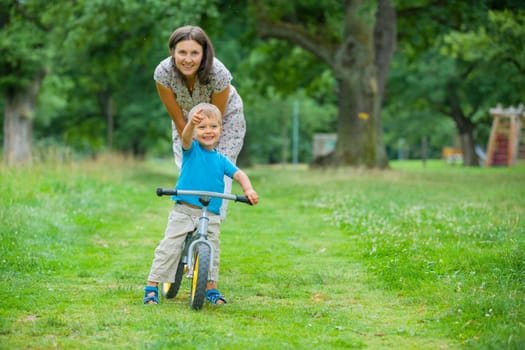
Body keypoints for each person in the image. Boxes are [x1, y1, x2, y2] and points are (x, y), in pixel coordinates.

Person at [144, 103, 259, 305]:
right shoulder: (191, 150)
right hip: (184, 210)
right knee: (170, 246)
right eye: (202, 127)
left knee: (212, 250)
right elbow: (185, 138)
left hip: (210, 213)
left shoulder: (222, 160)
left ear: (221, 130)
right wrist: (190, 124)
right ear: (195, 131)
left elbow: (239, 174)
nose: (208, 131)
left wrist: (248, 189)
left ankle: (210, 288)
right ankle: (152, 286)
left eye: (213, 127)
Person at [154, 25, 246, 219]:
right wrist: (191, 146)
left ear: (204, 54)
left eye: (194, 53)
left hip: (223, 119)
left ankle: (211, 223)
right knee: (189, 164)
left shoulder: (218, 74)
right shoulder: (163, 73)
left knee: (217, 167)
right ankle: (186, 218)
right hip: (187, 119)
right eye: (182, 53)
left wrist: (205, 142)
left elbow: (215, 117)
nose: (188, 59)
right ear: (173, 52)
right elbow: (178, 117)